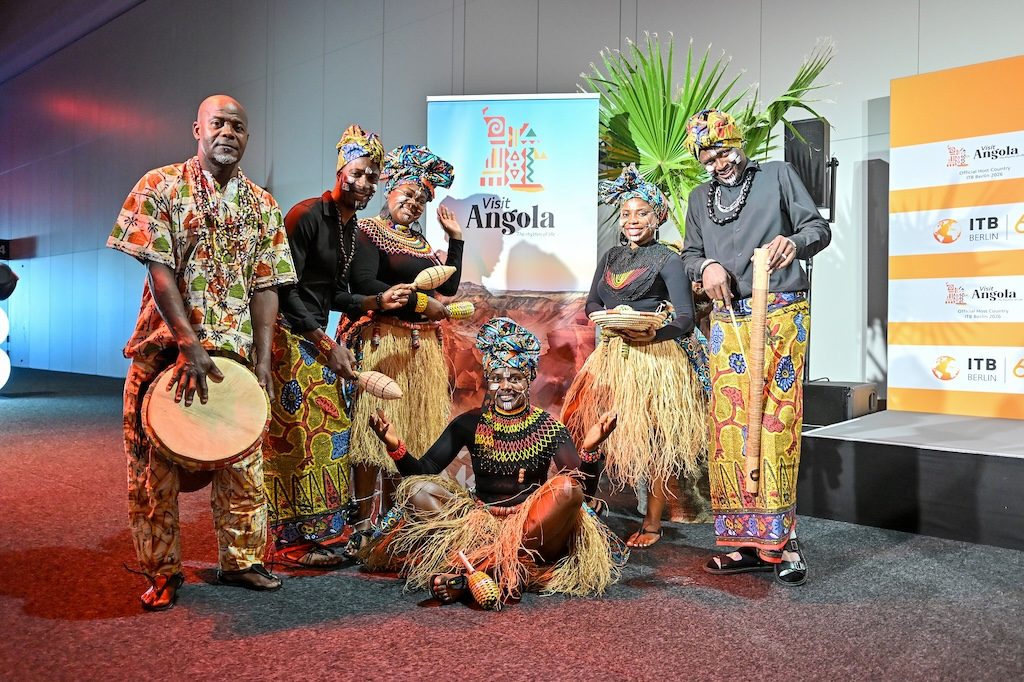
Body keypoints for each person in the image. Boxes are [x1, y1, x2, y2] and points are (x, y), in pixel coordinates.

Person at [107, 95, 296, 610]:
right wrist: (188, 344)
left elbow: (266, 285)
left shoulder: (263, 205)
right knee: (153, 473)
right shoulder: (161, 185)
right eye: (219, 123)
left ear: (247, 136)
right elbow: (159, 268)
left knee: (244, 469)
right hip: (166, 354)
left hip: (233, 363)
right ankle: (163, 570)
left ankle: (242, 562)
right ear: (197, 128)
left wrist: (261, 362)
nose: (229, 132)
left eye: (239, 126)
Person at [361, 317, 626, 607]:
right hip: (478, 521)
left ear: (528, 379)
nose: (506, 386)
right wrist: (394, 445)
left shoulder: (547, 426)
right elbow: (422, 472)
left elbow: (582, 494)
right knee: (417, 490)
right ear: (488, 378)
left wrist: (590, 448)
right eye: (498, 377)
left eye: (515, 377)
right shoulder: (469, 423)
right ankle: (501, 569)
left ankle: (468, 571)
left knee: (566, 490)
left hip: (530, 529)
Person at [681, 108, 831, 585]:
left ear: (738, 144)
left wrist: (794, 242)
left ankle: (780, 542)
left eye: (723, 151)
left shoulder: (778, 176)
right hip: (728, 320)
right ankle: (741, 542)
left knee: (775, 422)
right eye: (707, 156)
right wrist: (704, 268)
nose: (717, 163)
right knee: (729, 426)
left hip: (783, 314)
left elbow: (818, 229)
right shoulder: (698, 197)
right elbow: (688, 253)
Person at [262, 125, 413, 568]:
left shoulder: (350, 230)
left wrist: (375, 300)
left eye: (373, 177)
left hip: (312, 337)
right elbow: (282, 288)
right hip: (287, 338)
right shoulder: (306, 215)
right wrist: (322, 342)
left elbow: (331, 294)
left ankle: (314, 533)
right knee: (292, 438)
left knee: (326, 436)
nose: (365, 184)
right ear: (340, 168)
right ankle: (287, 541)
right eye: (359, 173)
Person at [562, 164, 709, 548]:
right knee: (595, 433)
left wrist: (648, 332)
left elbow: (686, 319)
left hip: (654, 360)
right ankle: (586, 507)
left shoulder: (668, 259)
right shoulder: (611, 256)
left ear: (657, 216)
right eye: (626, 214)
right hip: (612, 357)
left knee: (654, 440)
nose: (632, 220)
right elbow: (594, 300)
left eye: (641, 213)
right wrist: (605, 317)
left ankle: (652, 522)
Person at [340, 145, 463, 552]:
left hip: (421, 350)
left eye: (421, 199)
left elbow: (446, 288)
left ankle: (396, 521)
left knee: (406, 436)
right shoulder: (368, 231)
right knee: (369, 437)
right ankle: (362, 523)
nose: (413, 203)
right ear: (389, 191)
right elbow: (364, 284)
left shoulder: (423, 245)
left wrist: (455, 241)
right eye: (407, 194)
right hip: (384, 343)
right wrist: (424, 305)